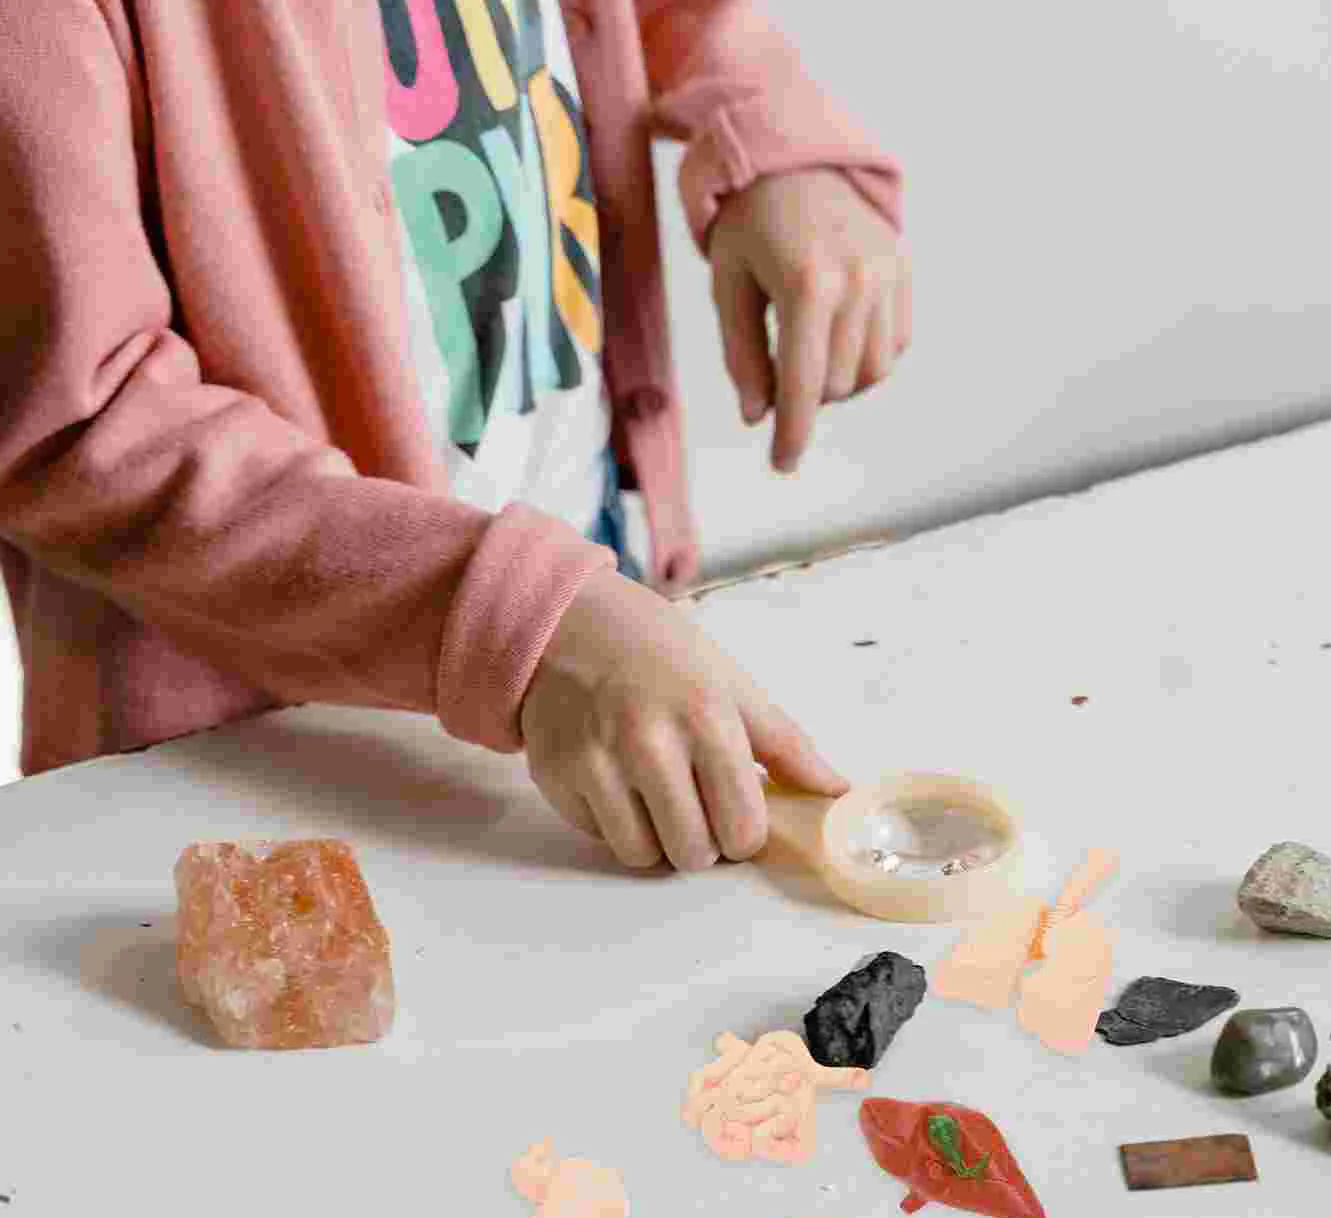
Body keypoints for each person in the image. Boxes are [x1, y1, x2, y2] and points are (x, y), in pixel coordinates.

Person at [0, 0, 909, 871]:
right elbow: (76, 425)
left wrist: (767, 129)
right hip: (258, 773)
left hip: (598, 611)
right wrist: (522, 618)